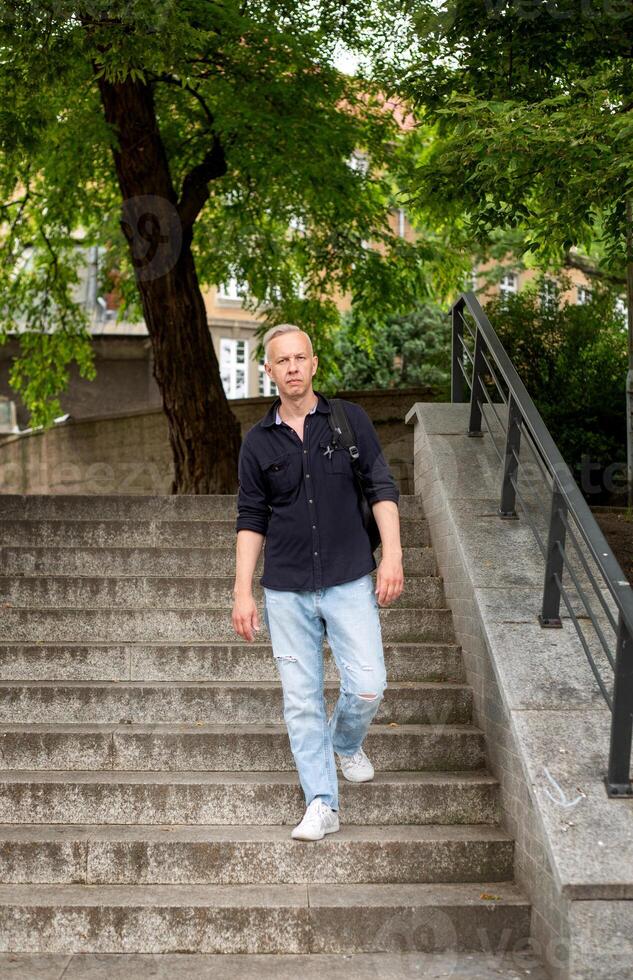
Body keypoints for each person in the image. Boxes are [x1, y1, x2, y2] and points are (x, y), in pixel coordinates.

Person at [231, 323, 404, 841]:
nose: (292, 368)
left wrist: (392, 554)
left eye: (299, 358)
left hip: (349, 577)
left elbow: (380, 486)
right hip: (285, 588)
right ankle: (321, 802)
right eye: (281, 361)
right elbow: (250, 517)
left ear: (313, 363)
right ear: (269, 371)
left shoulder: (348, 421)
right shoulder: (257, 443)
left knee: (370, 683)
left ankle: (345, 743)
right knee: (301, 699)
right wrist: (243, 591)